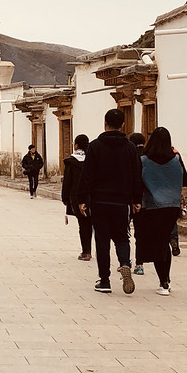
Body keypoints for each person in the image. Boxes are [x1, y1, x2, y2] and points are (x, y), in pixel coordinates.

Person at [77, 108, 142, 294]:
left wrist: (83, 199)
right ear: (123, 125)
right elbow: (136, 175)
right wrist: (136, 199)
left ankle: (104, 281)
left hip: (99, 201)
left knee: (102, 240)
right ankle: (124, 263)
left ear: (104, 123)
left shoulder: (95, 146)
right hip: (121, 202)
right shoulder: (130, 148)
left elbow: (87, 175)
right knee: (122, 236)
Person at [139, 127, 187, 295]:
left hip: (152, 207)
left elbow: (138, 183)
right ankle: (166, 279)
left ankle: (164, 282)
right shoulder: (176, 158)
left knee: (157, 243)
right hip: (172, 207)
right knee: (165, 240)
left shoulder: (144, 160)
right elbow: (186, 181)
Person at [61, 134, 92, 260]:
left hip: (77, 197)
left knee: (83, 224)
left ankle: (86, 251)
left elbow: (67, 182)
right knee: (92, 223)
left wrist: (65, 197)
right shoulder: (92, 159)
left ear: (77, 145)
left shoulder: (71, 162)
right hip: (93, 196)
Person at [128, 133, 148, 275]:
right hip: (145, 201)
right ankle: (139, 264)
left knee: (123, 233)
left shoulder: (129, 157)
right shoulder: (148, 157)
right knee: (140, 234)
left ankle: (125, 261)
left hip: (129, 200)